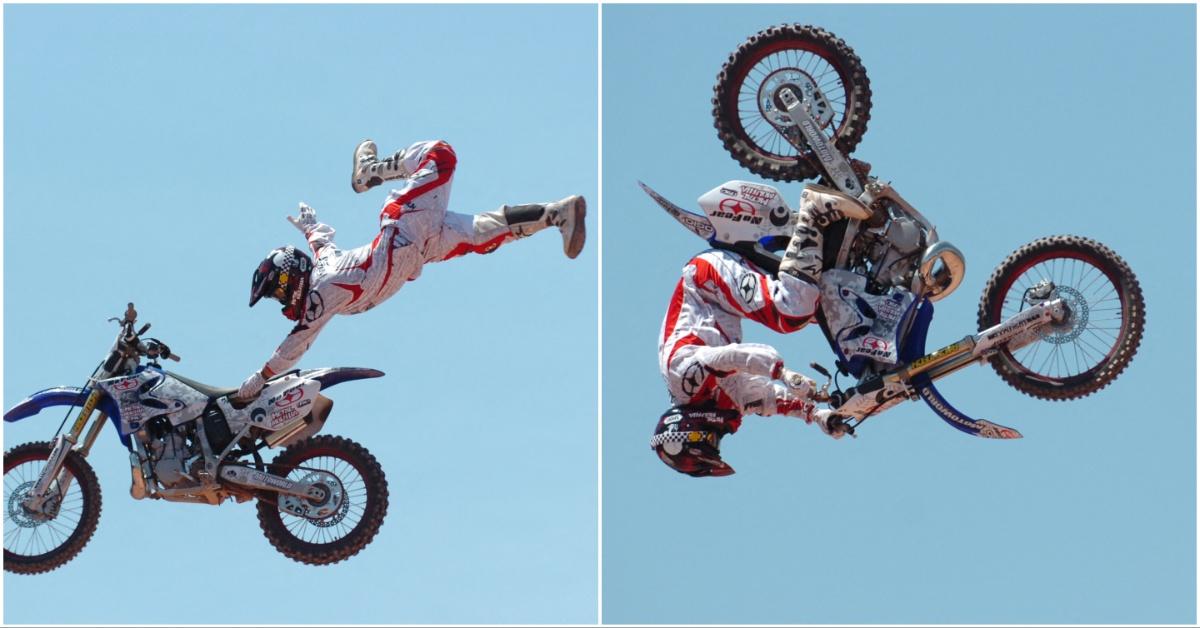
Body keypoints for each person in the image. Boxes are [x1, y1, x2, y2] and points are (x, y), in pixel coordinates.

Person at [236, 139, 586, 401]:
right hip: (421, 250)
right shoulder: (325, 280)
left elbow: (295, 345)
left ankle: (368, 170)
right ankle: (558, 214)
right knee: (489, 232)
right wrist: (310, 228)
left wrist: (259, 378)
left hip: (403, 226)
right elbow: (322, 246)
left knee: (441, 155)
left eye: (279, 289)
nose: (282, 298)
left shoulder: (323, 289)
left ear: (292, 273)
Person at [652, 183, 871, 477]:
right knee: (831, 311)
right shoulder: (717, 400)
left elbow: (733, 357)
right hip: (728, 300)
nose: (721, 437)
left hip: (707, 281)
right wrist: (819, 414)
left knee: (791, 311)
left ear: (691, 430)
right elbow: (768, 399)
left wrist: (782, 373)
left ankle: (814, 211)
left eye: (712, 441)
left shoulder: (683, 379)